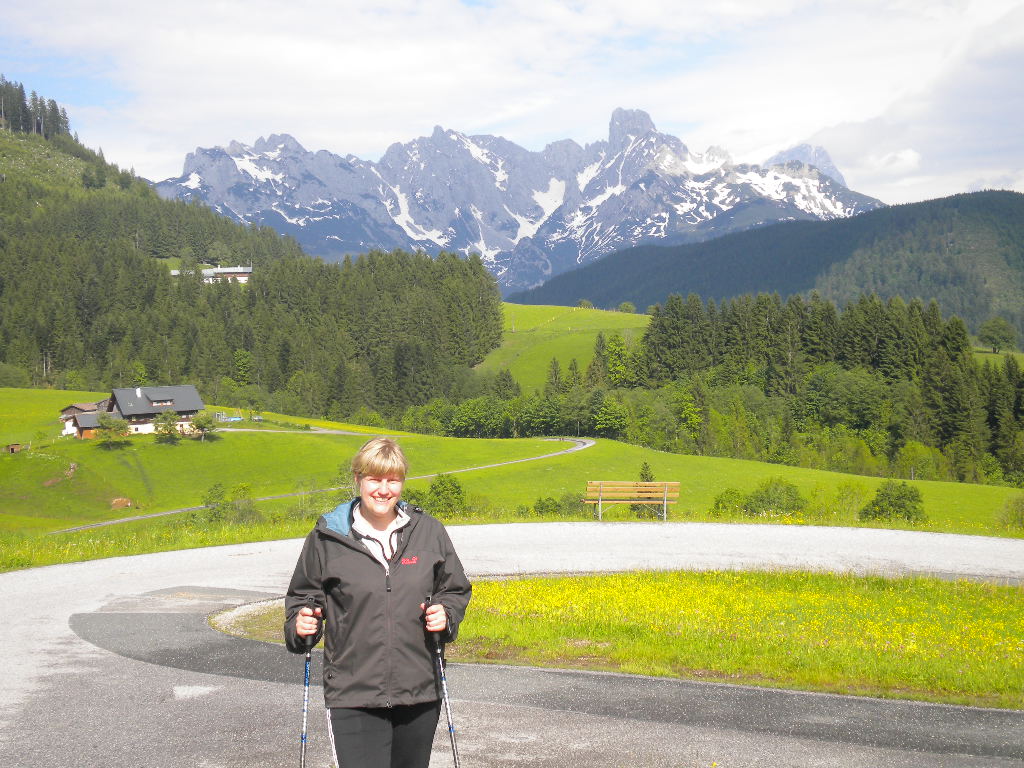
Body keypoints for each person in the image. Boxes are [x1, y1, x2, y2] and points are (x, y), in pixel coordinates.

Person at [284, 437, 472, 768]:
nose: (383, 489)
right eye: (374, 478)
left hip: (419, 690)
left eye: (392, 479)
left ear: (402, 481)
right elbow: (303, 598)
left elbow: (454, 590)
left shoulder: (428, 531)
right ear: (357, 480)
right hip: (353, 692)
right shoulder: (328, 537)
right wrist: (301, 625)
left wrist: (447, 615)